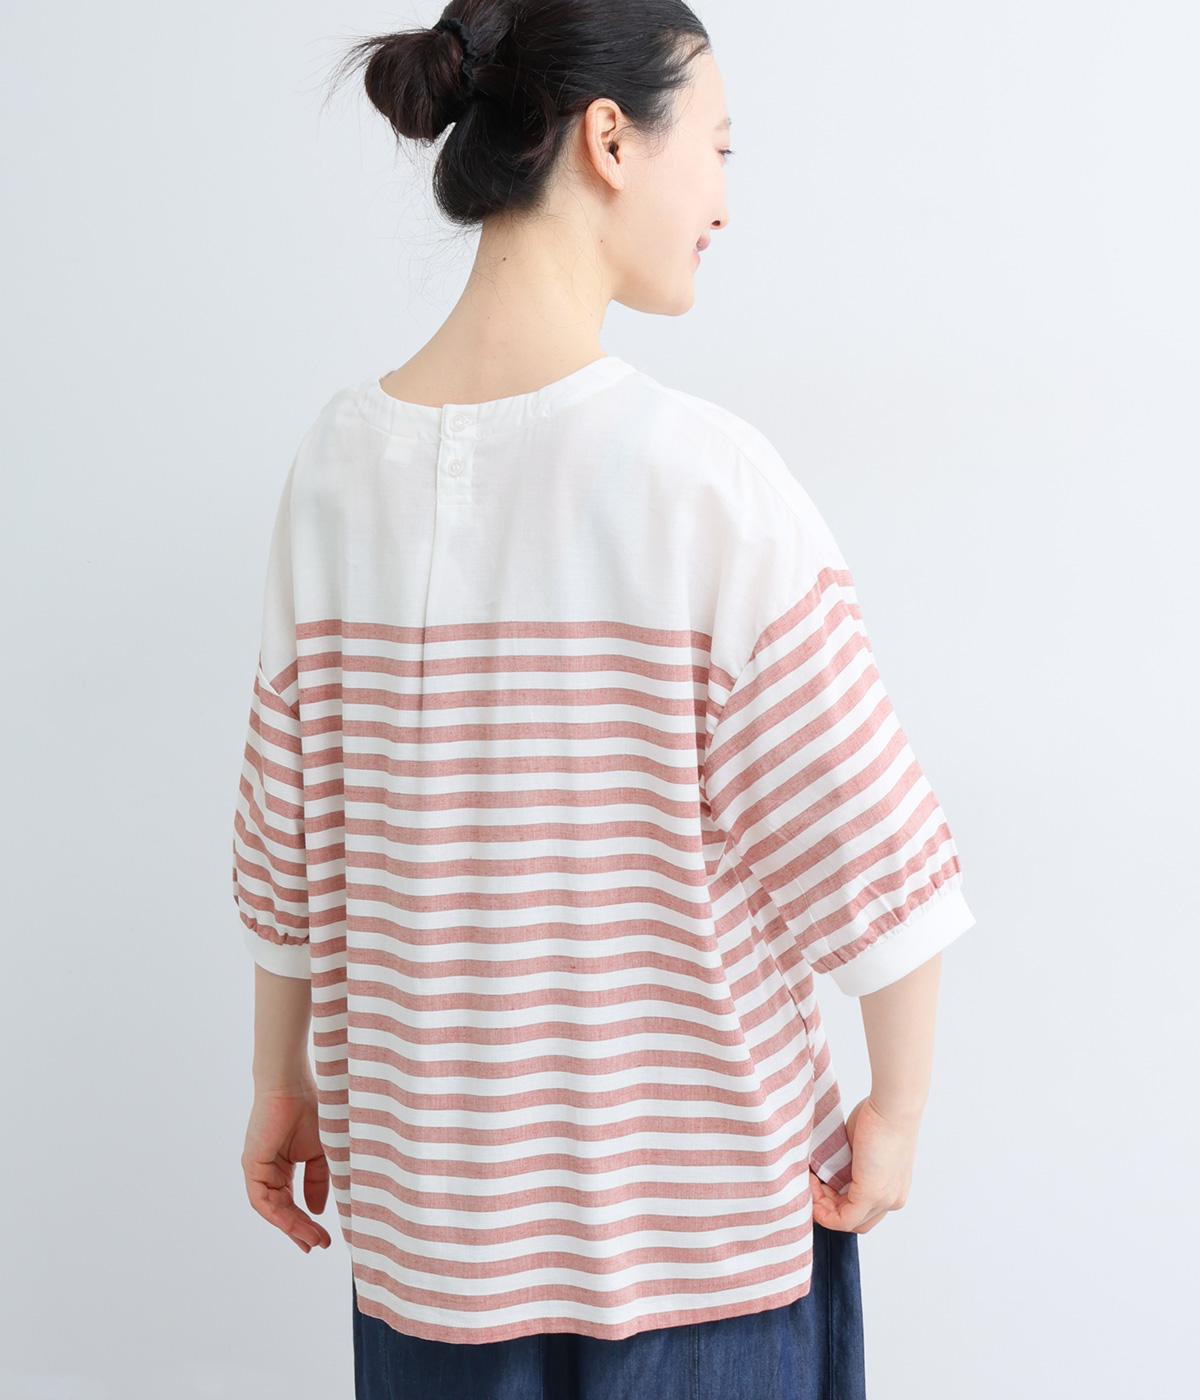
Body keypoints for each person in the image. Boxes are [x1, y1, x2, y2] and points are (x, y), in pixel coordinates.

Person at [231, 3, 978, 1396]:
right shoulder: (699, 479)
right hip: (702, 1269)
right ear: (611, 140)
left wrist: (282, 1082)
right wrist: (900, 1109)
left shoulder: (334, 469)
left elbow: (289, 849)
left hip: (433, 1261)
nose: (726, 203)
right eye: (721, 148)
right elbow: (872, 850)